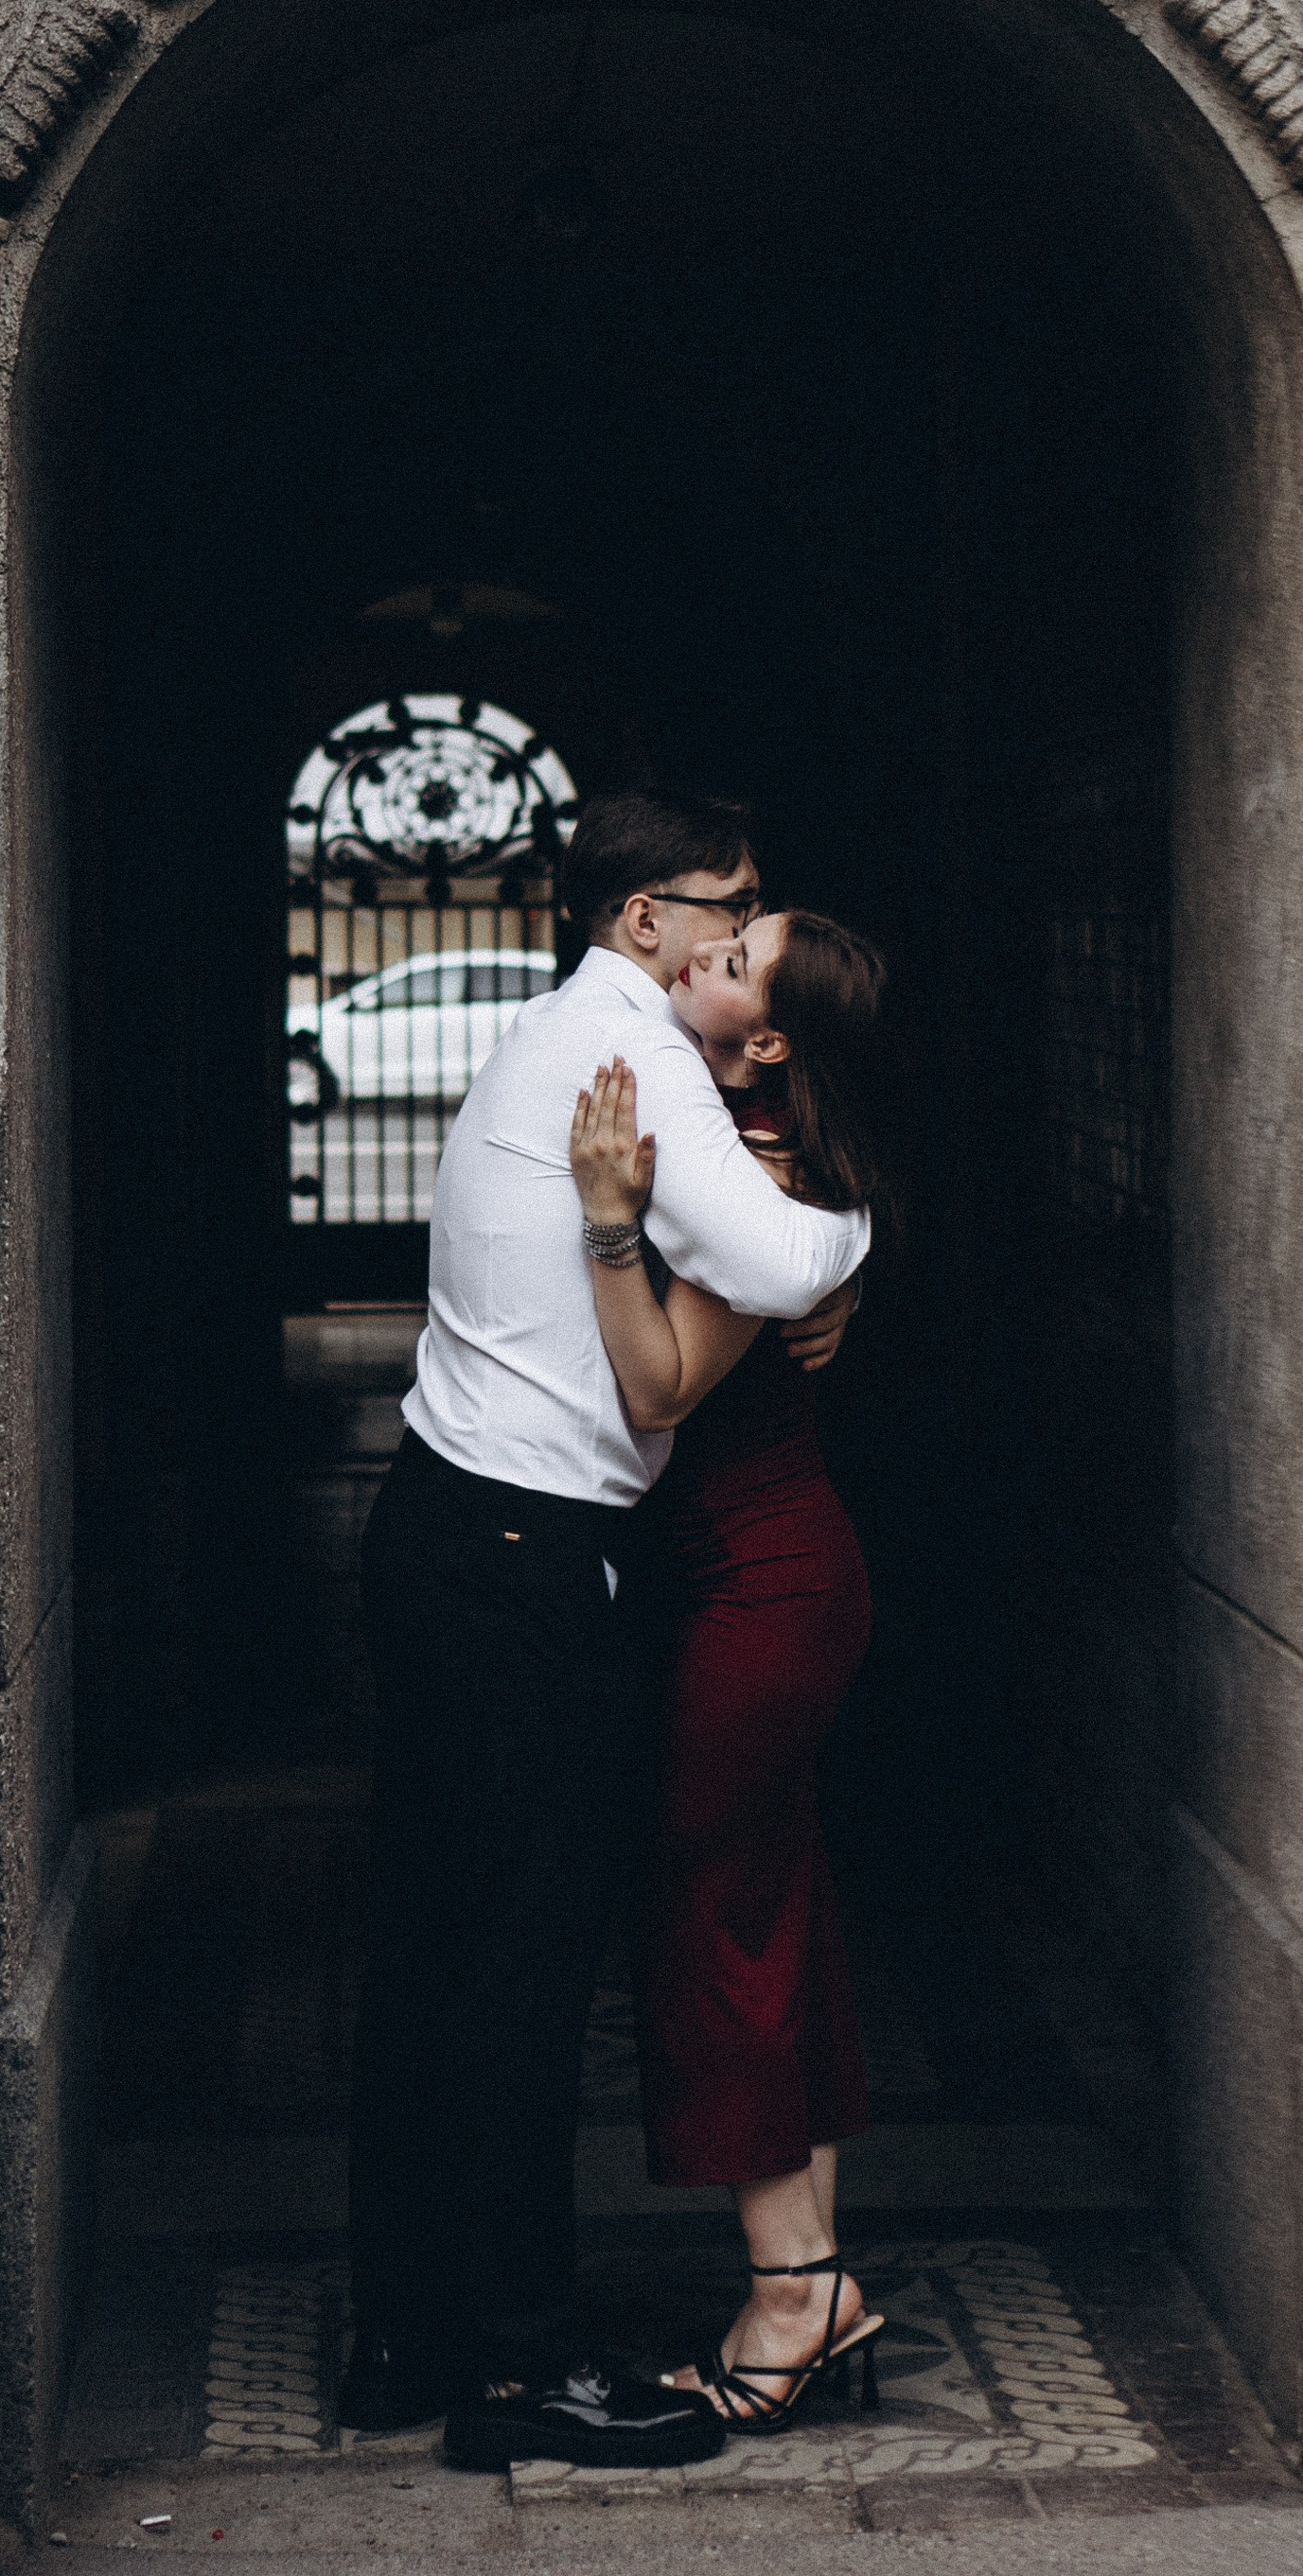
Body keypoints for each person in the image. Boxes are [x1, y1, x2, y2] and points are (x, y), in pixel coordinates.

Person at [341, 796, 870, 2473]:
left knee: (438, 1948)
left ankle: (405, 2332)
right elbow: (778, 1253)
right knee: (520, 1966)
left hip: (449, 1528)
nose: (743, 923)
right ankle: (515, 2372)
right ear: (649, 921)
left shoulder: (570, 1032)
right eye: (732, 902)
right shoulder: (632, 1054)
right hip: (524, 1552)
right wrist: (852, 1247)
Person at [567, 905, 890, 2438]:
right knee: (771, 1903)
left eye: (735, 957)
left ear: (765, 1038)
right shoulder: (752, 1145)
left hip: (763, 1591)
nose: (700, 953)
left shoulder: (753, 1174)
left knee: (715, 1920)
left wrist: (606, 1223)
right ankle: (814, 2278)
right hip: (761, 1580)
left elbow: (657, 1387)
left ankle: (785, 2292)